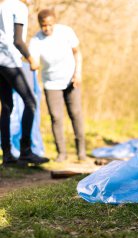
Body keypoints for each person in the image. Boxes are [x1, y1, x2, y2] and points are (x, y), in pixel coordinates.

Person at [29, 9, 86, 162]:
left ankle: (81, 152)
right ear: (40, 25)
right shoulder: (36, 40)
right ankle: (62, 153)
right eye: (43, 26)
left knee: (76, 113)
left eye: (49, 25)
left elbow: (77, 52)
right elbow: (33, 62)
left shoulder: (66, 32)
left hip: (71, 79)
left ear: (55, 22)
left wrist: (78, 73)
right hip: (51, 83)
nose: (46, 28)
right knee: (56, 117)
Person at [0, 0, 49, 165]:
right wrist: (30, 59)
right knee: (31, 101)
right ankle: (25, 151)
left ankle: (7, 155)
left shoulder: (2, 6)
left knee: (6, 107)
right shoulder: (19, 7)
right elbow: (18, 40)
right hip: (9, 61)